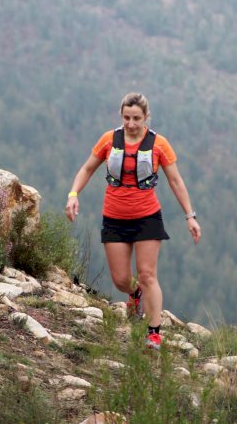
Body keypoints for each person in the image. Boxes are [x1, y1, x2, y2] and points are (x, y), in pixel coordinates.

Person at [65, 92, 201, 350]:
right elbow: (87, 169)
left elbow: (175, 181)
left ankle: (153, 332)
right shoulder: (109, 140)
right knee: (121, 280)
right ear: (121, 116)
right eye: (126, 118)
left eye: (136, 118)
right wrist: (73, 194)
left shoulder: (159, 144)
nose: (131, 123)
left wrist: (190, 216)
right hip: (115, 217)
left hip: (147, 217)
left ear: (146, 117)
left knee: (148, 274)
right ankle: (134, 294)